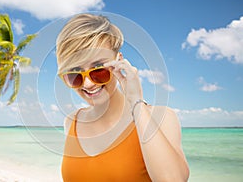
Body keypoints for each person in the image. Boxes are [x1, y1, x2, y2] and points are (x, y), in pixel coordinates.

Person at [56, 13, 189, 181]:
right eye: (74, 74)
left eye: (98, 68)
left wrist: (137, 103)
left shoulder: (160, 117)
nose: (88, 84)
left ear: (118, 61)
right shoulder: (72, 122)